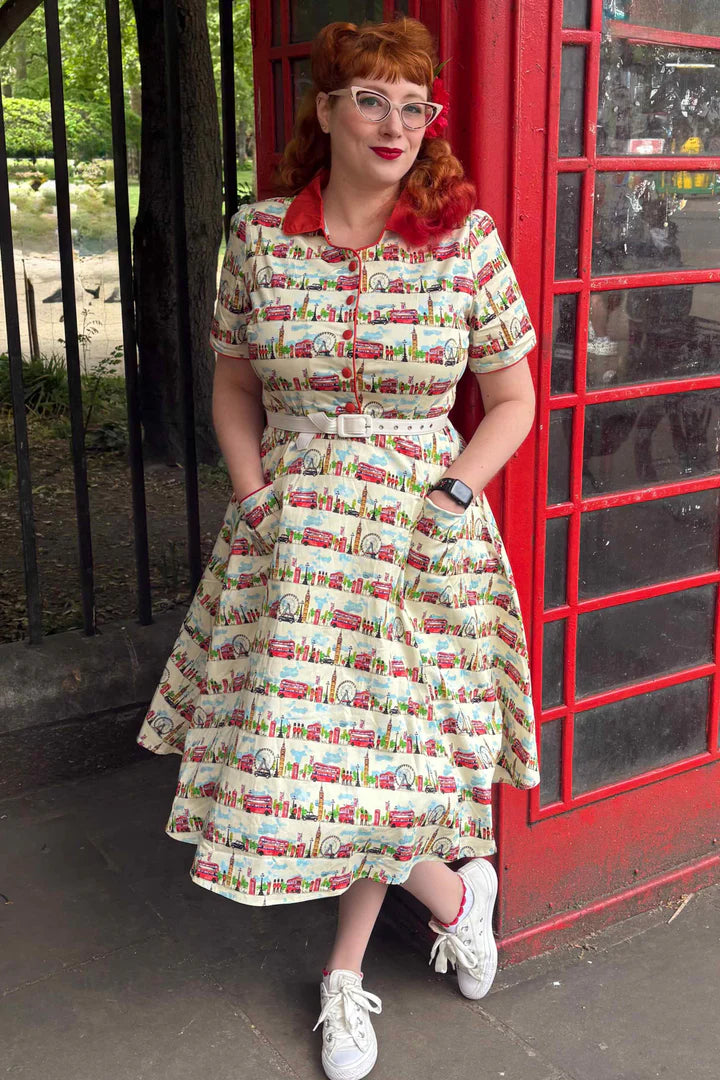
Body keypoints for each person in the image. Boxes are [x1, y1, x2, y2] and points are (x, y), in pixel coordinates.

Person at [136, 16, 539, 1080]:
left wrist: (455, 494)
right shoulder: (261, 238)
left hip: (420, 537)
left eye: (415, 104)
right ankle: (457, 895)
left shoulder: (465, 242)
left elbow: (511, 399)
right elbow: (232, 385)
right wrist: (256, 496)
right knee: (315, 762)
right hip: (300, 538)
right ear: (325, 111)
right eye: (371, 98)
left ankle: (345, 975)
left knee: (386, 765)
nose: (395, 122)